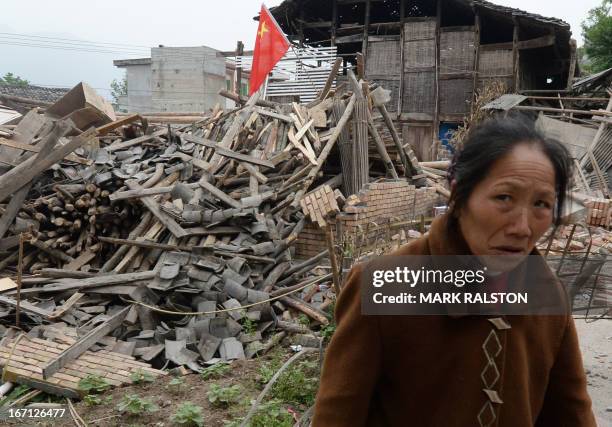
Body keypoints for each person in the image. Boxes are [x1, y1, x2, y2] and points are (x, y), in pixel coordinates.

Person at [311, 114, 597, 426]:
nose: (522, 227)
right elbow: (337, 416)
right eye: (504, 197)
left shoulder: (545, 293)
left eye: (542, 204)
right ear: (460, 197)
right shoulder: (385, 286)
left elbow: (572, 413)